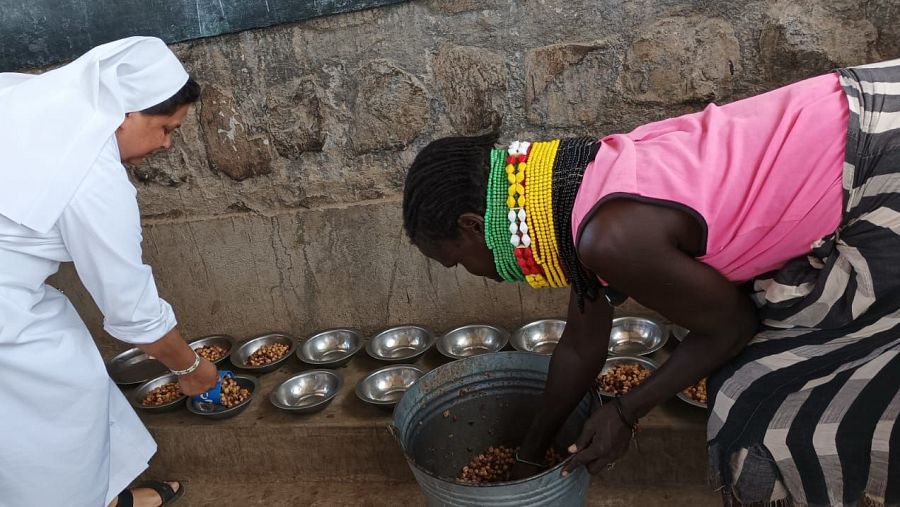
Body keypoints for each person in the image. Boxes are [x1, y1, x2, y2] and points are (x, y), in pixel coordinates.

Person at [402, 58, 900, 505]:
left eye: (455, 261)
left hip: (878, 159)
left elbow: (731, 327)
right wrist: (531, 453)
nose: (470, 274)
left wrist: (626, 413)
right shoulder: (576, 192)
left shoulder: (610, 239)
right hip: (858, 108)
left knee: (761, 399)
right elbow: (580, 346)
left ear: (472, 225)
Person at [0, 37, 218, 506]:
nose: (165, 144)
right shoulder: (92, 176)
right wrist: (192, 368)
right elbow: (133, 312)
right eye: (165, 127)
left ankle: (101, 497)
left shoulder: (24, 100)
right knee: (60, 392)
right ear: (124, 112)